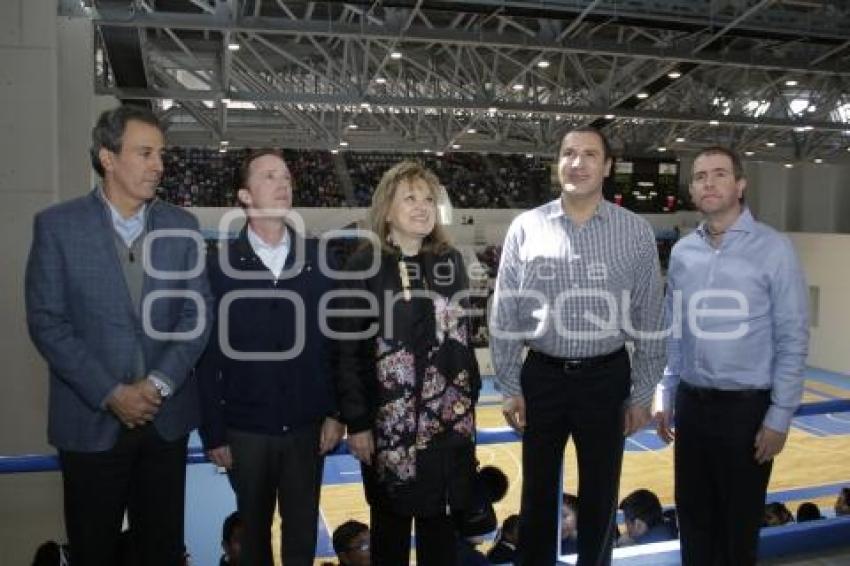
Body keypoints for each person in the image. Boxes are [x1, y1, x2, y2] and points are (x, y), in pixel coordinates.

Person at [25, 105, 212, 566]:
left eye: (161, 155)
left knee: (163, 553)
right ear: (108, 158)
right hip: (90, 425)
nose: (159, 166)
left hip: (164, 425)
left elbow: (198, 314)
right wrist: (111, 393)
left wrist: (157, 385)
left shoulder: (182, 226)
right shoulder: (57, 226)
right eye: (145, 153)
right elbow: (48, 322)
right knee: (93, 552)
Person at [489, 125, 666, 565]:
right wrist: (511, 384)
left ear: (607, 166)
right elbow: (505, 312)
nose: (578, 162)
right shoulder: (526, 227)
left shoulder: (635, 232)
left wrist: (643, 395)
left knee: (601, 497)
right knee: (537, 497)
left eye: (590, 154)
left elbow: (650, 320)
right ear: (558, 163)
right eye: (569, 153)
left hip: (606, 378)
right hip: (542, 376)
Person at [656, 146, 809, 566]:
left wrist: (779, 416)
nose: (708, 182)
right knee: (694, 521)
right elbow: (675, 330)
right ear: (691, 189)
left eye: (719, 174)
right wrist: (664, 393)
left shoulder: (775, 249)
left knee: (737, 531)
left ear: (740, 185)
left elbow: (792, 336)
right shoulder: (685, 252)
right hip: (692, 405)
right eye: (700, 176)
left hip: (746, 412)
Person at [197, 148, 343, 566]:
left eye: (286, 177)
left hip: (307, 427)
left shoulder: (321, 259)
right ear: (245, 195)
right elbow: (207, 356)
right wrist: (214, 432)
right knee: (253, 538)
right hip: (245, 430)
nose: (282, 184)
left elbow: (337, 345)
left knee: (302, 538)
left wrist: (336, 412)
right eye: (268, 176)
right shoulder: (219, 267)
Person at [335, 160, 481, 565]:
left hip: (447, 429)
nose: (422, 207)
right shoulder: (363, 264)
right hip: (389, 429)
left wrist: (468, 402)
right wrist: (358, 422)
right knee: (391, 536)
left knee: (440, 537)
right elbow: (347, 352)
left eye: (429, 199)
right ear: (387, 207)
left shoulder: (450, 262)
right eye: (410, 198)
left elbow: (462, 342)